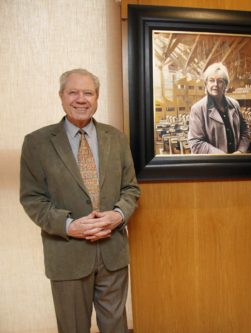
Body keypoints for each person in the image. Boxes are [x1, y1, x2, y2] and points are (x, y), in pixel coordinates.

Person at [19, 68, 141, 333]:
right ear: (61, 96)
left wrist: (118, 215)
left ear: (97, 98)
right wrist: (69, 225)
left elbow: (131, 189)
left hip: (113, 254)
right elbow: (32, 199)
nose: (81, 99)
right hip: (67, 255)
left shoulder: (117, 139)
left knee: (117, 327)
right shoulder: (37, 143)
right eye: (73, 92)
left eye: (88, 93)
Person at [188, 62, 250, 154]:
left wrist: (241, 151)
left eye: (220, 81)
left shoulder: (235, 104)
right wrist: (223, 157)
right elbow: (196, 143)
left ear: (225, 85)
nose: (215, 84)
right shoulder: (197, 109)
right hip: (213, 164)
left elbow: (245, 130)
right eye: (211, 80)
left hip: (236, 160)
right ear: (206, 84)